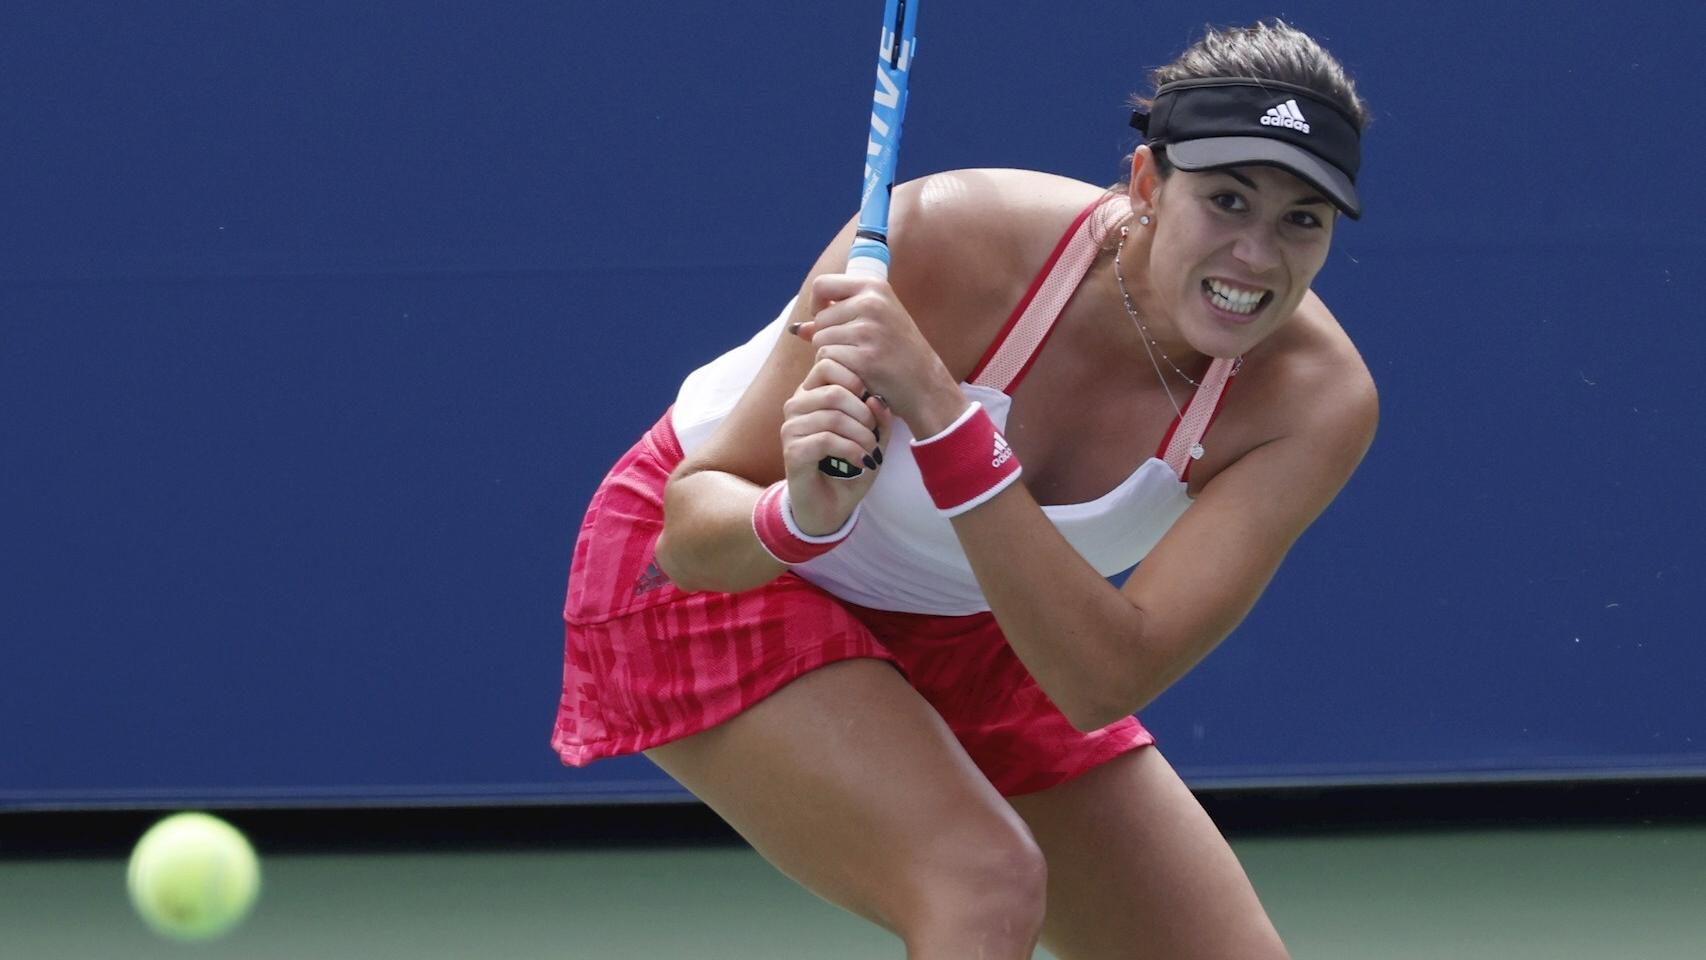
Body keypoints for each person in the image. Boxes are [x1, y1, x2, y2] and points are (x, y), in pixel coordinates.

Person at [553, 19, 1375, 959]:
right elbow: (688, 536)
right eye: (1227, 201)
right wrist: (798, 516)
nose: (1257, 258)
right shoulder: (945, 236)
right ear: (1146, 185)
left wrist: (943, 420)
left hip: (980, 625)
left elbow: (1102, 677)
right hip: (726, 577)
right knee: (983, 883)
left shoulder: (1314, 403)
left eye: (1300, 221)